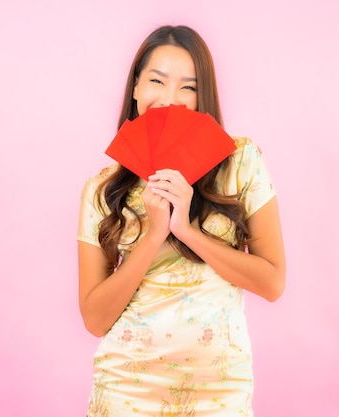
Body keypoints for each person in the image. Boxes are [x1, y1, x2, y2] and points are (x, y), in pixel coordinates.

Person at [77, 24, 285, 416]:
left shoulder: (241, 162)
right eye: (157, 80)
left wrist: (185, 230)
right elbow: (94, 318)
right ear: (136, 87)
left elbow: (272, 282)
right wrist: (153, 235)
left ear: (203, 96)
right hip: (127, 389)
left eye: (187, 87)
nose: (170, 99)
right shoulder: (102, 190)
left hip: (220, 391)